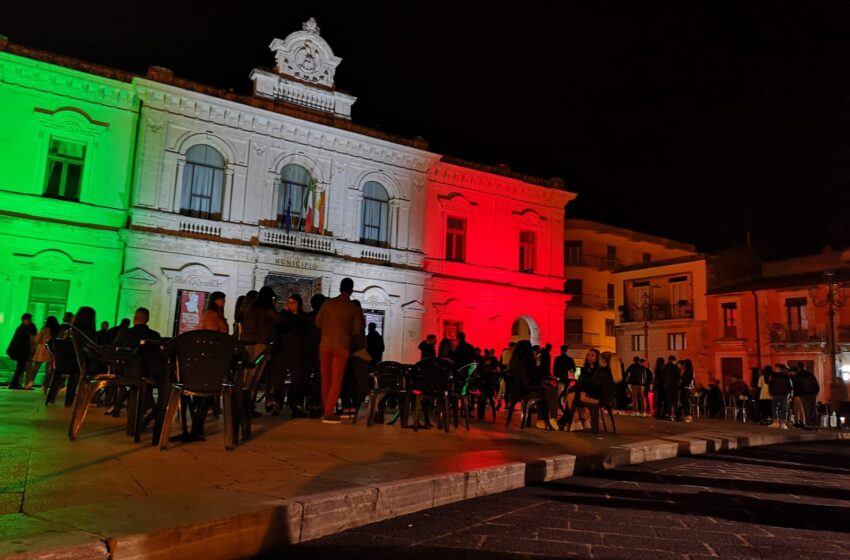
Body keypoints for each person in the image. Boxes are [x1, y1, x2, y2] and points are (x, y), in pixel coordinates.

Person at [315, 278, 364, 424]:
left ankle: (326, 408)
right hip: (341, 346)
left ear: (340, 288)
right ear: (351, 290)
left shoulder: (328, 303)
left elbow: (318, 322)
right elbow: (357, 329)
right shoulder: (352, 307)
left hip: (325, 344)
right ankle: (328, 412)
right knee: (336, 380)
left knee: (325, 378)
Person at [504, 340, 559, 430]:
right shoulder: (528, 362)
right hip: (527, 390)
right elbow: (535, 377)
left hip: (517, 391)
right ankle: (552, 418)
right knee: (551, 390)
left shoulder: (514, 363)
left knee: (545, 390)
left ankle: (542, 420)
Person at [561, 348, 615, 430]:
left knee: (571, 395)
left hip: (591, 392)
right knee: (572, 393)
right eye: (588, 355)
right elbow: (581, 381)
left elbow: (592, 383)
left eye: (592, 355)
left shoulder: (599, 370)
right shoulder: (585, 369)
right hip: (583, 390)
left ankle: (572, 418)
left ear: (597, 357)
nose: (590, 357)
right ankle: (580, 418)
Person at [275, 293, 310, 417]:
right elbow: (278, 326)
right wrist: (284, 312)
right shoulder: (285, 316)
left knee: (298, 379)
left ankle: (296, 404)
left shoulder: (304, 318)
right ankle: (278, 402)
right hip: (284, 350)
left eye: (293, 303)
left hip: (298, 352)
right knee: (280, 378)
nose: (291, 305)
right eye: (289, 302)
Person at [6, 313, 37, 389]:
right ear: (24, 320)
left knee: (21, 368)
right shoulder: (23, 329)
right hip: (21, 352)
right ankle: (15, 383)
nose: (30, 321)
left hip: (22, 352)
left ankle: (15, 383)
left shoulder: (23, 328)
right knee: (21, 368)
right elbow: (23, 341)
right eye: (28, 319)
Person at [793, 363, 819, 428]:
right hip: (812, 394)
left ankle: (809, 424)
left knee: (806, 409)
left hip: (804, 394)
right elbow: (815, 383)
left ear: (798, 368)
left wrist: (797, 394)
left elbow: (796, 386)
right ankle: (815, 423)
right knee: (813, 408)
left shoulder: (798, 375)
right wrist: (816, 391)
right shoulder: (810, 374)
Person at [768, 364, 793, 429]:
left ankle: (776, 422)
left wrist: (770, 392)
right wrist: (789, 393)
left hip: (775, 394)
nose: (775, 369)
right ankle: (783, 423)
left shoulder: (773, 376)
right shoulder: (786, 376)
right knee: (783, 409)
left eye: (776, 368)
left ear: (779, 369)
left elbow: (770, 385)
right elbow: (789, 386)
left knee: (774, 408)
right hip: (784, 394)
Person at [662, 355, 680, 420]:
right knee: (675, 401)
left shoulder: (664, 367)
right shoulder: (675, 367)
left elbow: (663, 376)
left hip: (667, 386)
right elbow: (678, 376)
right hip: (674, 386)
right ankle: (677, 415)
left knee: (669, 401)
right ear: (673, 360)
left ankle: (669, 414)